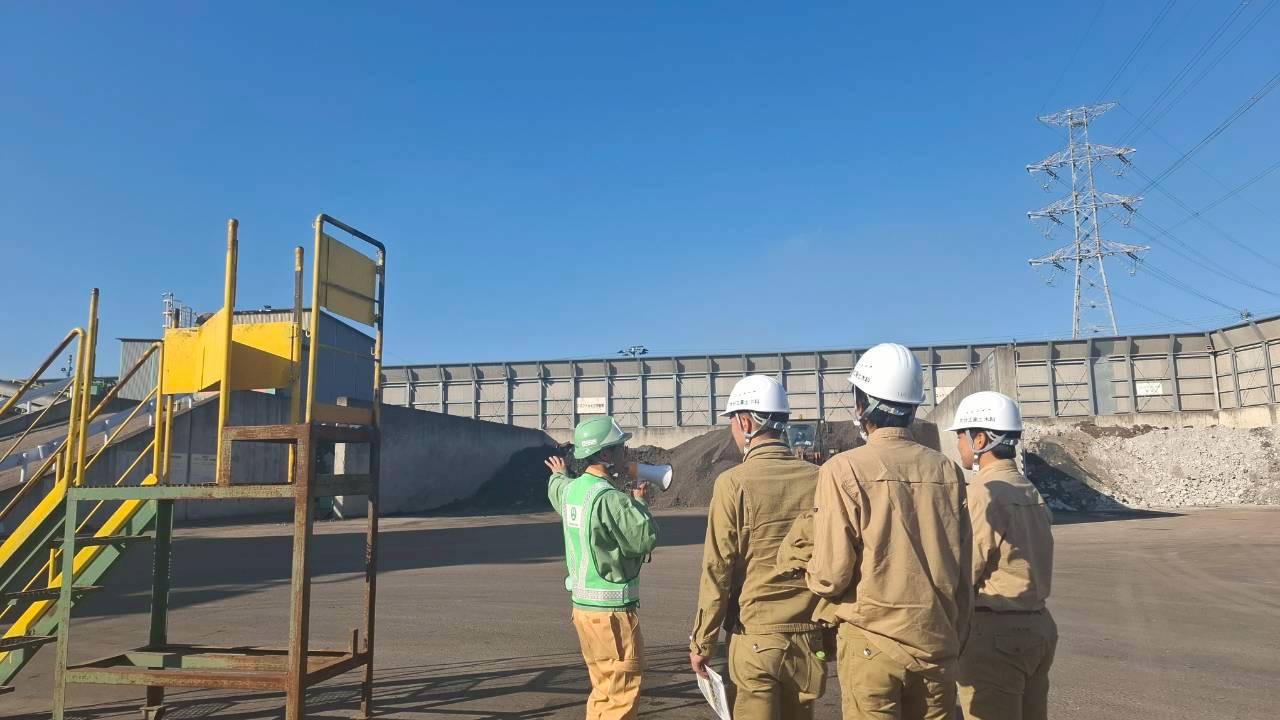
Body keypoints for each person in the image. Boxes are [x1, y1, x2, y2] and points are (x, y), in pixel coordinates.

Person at [787, 342, 972, 720]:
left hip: (872, 645)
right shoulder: (947, 470)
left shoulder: (843, 469)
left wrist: (804, 567)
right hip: (935, 644)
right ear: (913, 406)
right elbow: (962, 570)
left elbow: (830, 576)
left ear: (862, 404)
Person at [688, 375, 827, 720]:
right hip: (808, 638)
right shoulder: (821, 478)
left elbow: (717, 569)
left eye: (733, 422)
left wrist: (703, 641)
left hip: (755, 638)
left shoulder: (732, 483)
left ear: (746, 423)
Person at [948, 391, 1056, 720]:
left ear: (979, 439)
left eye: (960, 436)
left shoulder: (983, 494)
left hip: (996, 635)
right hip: (1037, 627)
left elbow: (963, 571)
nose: (958, 445)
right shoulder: (1028, 489)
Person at [547, 415, 659, 720]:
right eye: (620, 448)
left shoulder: (572, 490)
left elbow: (557, 488)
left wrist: (559, 474)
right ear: (606, 454)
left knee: (603, 690)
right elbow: (644, 539)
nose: (626, 454)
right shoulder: (611, 499)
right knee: (620, 696)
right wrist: (640, 504)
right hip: (612, 616)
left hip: (584, 612)